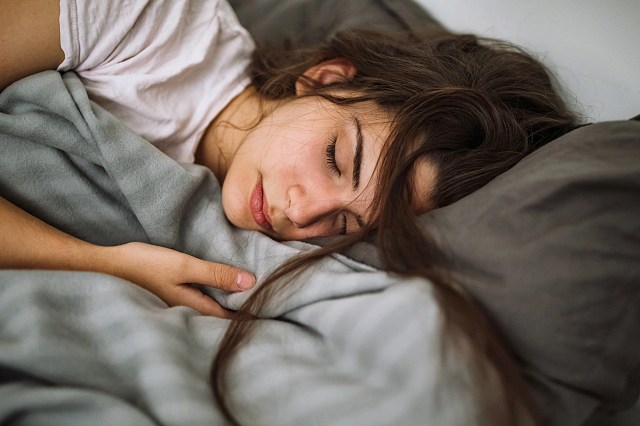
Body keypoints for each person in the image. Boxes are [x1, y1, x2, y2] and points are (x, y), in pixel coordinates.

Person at [1, 0, 579, 424]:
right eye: (337, 158)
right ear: (327, 78)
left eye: (348, 223)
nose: (305, 215)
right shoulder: (140, 22)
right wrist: (101, 263)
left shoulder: (291, 254)